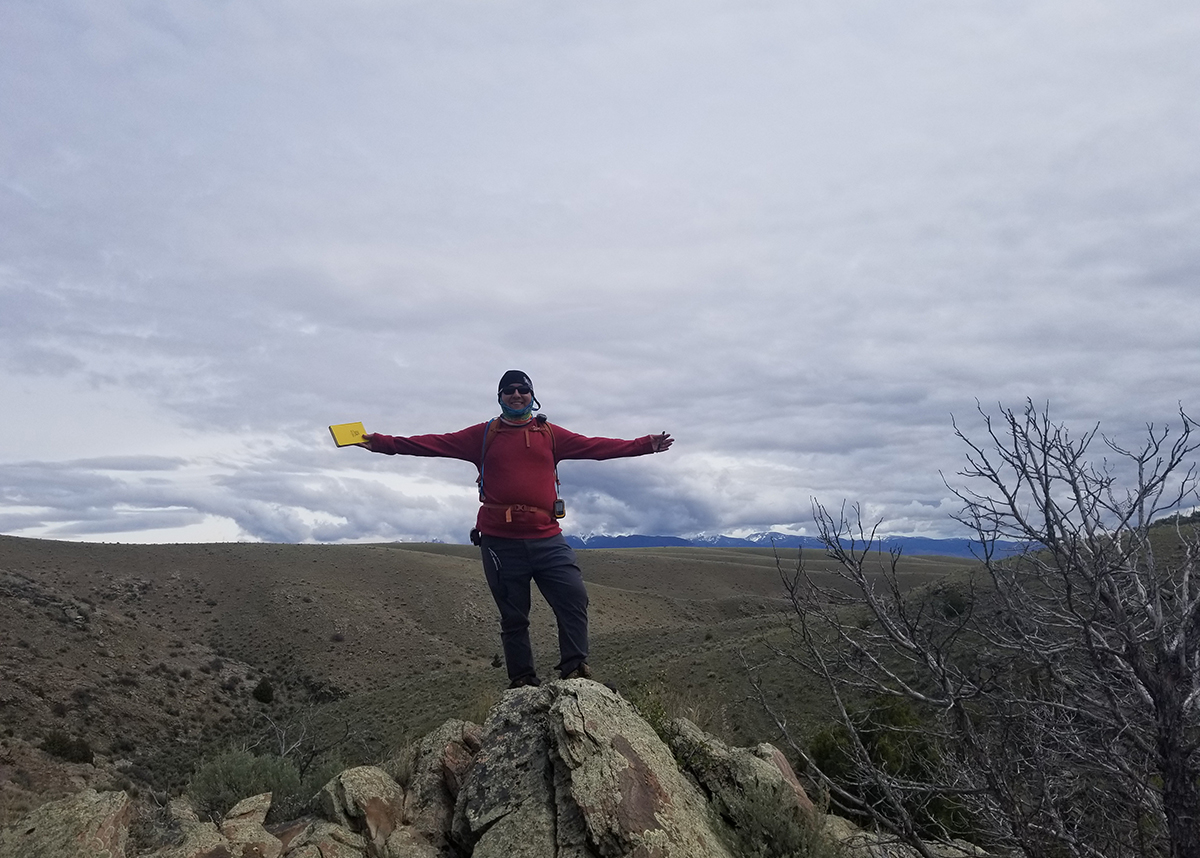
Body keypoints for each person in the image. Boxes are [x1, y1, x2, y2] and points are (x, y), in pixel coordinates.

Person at [356, 370, 673, 687]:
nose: (517, 394)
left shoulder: (549, 434)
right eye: (509, 390)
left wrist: (644, 445)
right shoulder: (482, 435)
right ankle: (522, 681)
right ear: (500, 397)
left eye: (523, 389)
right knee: (514, 616)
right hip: (500, 542)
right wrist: (381, 443)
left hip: (547, 537)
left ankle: (575, 669)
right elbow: (431, 444)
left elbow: (596, 447)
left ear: (533, 397)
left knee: (573, 598)